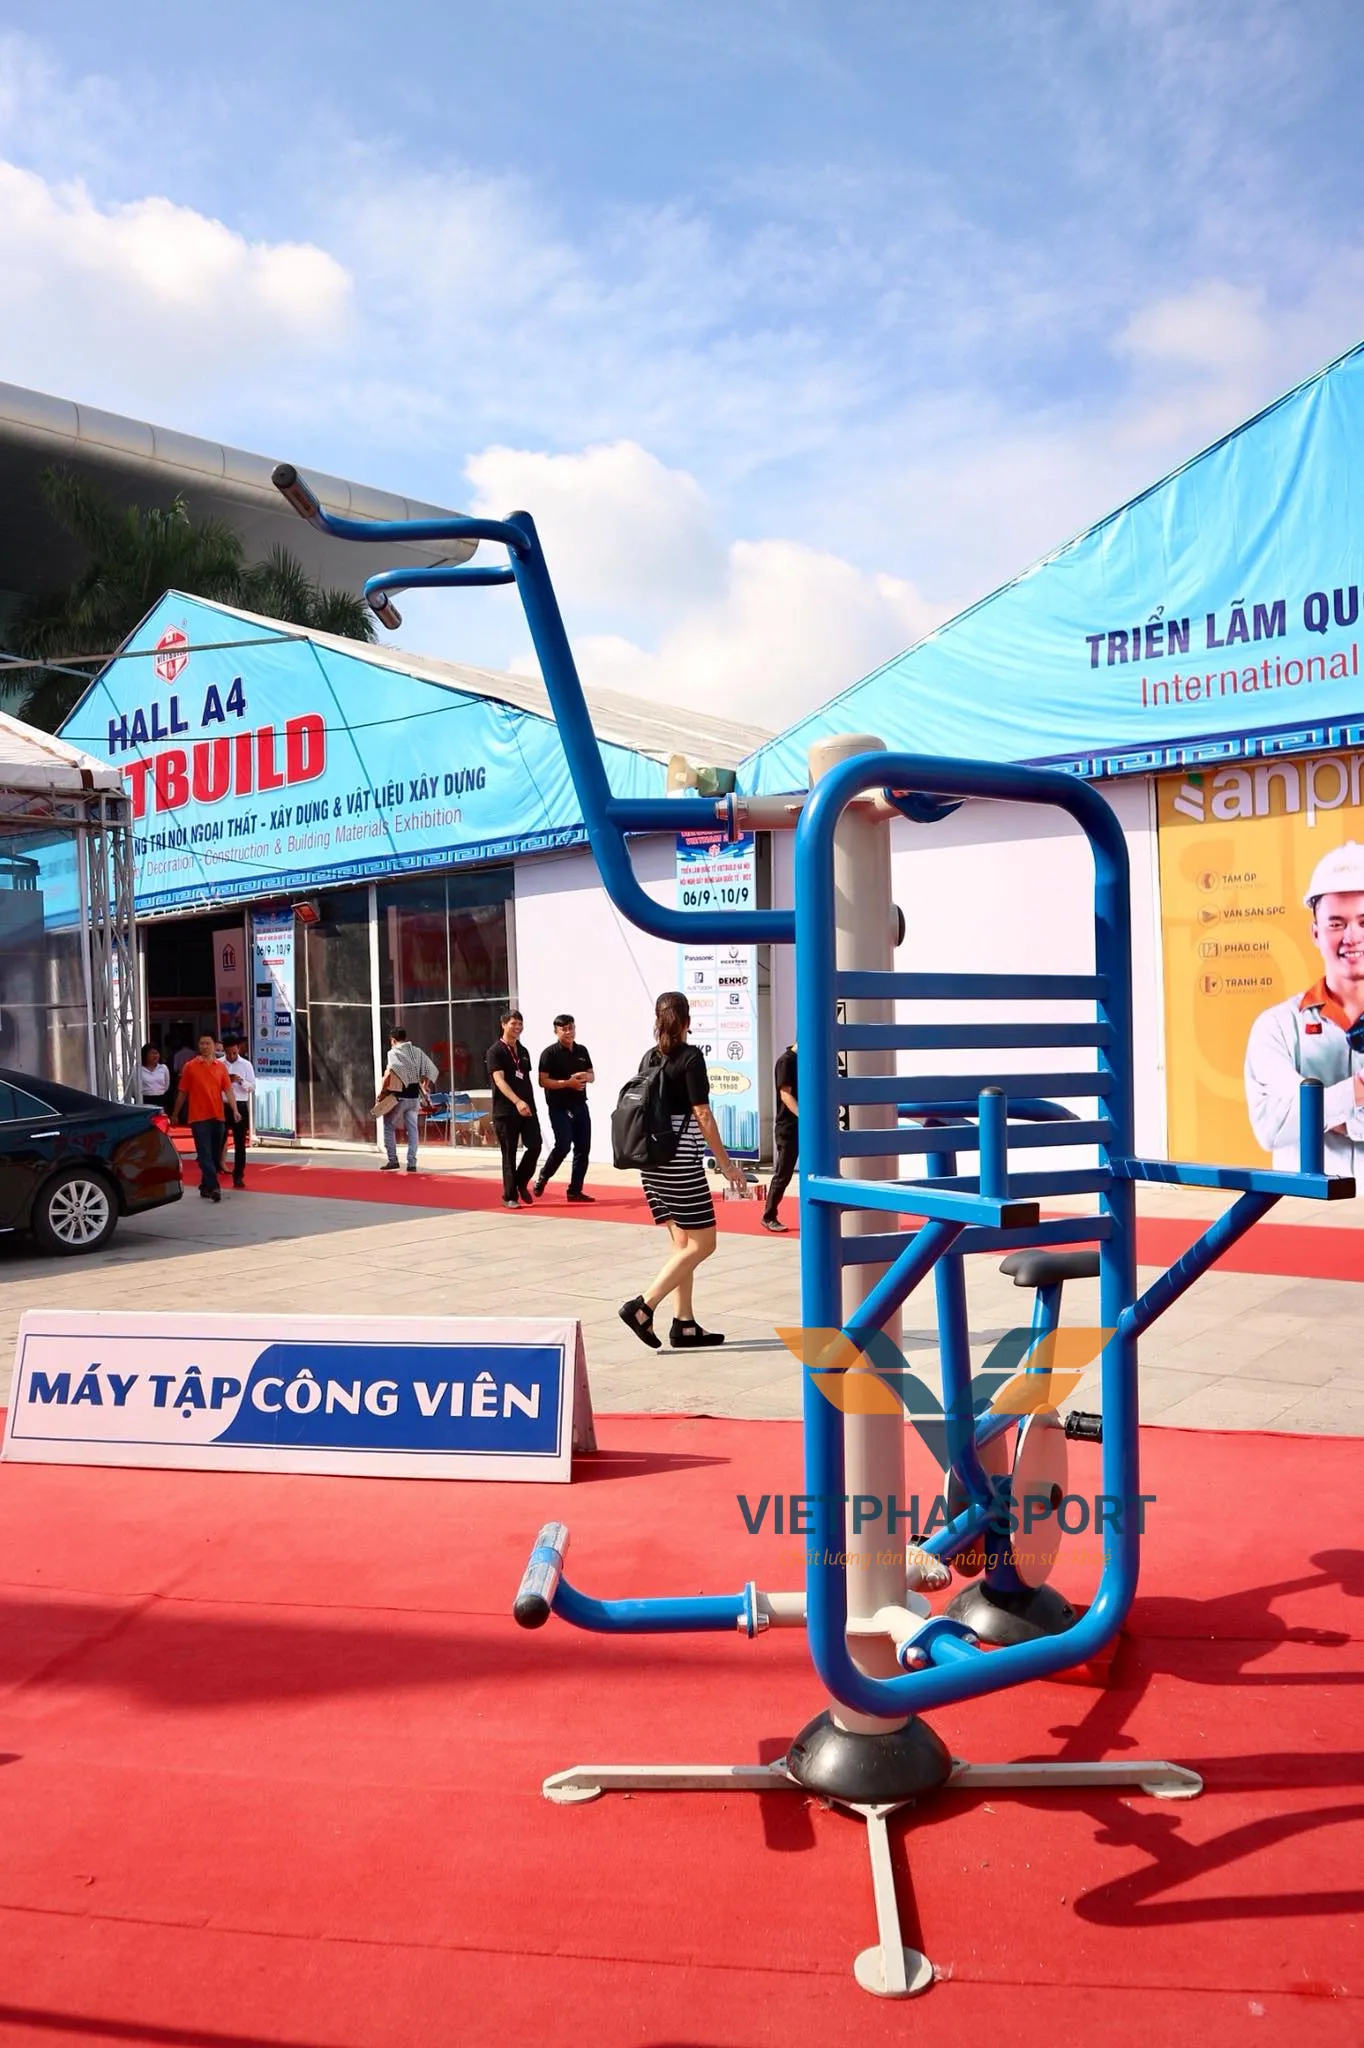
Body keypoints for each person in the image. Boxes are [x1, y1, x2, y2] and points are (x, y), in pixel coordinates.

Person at [618, 990, 748, 1350]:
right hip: (679, 1163)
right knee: (705, 1243)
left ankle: (684, 1324)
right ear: (688, 1021)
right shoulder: (691, 1058)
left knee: (682, 1244)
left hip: (650, 1162)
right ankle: (643, 1306)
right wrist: (726, 1165)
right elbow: (701, 1113)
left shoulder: (649, 1056)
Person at [1245, 841, 1364, 1177]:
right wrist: (1357, 1091)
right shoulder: (1277, 1027)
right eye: (1336, 923)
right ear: (1315, 933)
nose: (1352, 937)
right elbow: (1273, 1126)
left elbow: (1294, 1115)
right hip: (1306, 1203)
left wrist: (1320, 1114)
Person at [533, 1013, 595, 1203]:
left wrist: (584, 1076)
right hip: (559, 1107)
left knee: (583, 1148)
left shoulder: (582, 1050)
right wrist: (568, 1083)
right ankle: (544, 1176)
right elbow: (543, 1081)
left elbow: (592, 1076)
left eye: (571, 1028)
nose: (569, 1032)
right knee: (563, 1145)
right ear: (556, 1031)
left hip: (580, 1105)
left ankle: (575, 1191)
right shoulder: (549, 1053)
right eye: (564, 1029)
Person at [173, 1033, 238, 1203]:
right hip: (198, 1117)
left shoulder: (221, 1067)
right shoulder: (190, 1067)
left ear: (215, 1045)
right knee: (204, 1153)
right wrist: (175, 1113)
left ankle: (205, 1185)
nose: (204, 1046)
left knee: (215, 1155)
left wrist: (235, 1110)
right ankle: (214, 1187)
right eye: (201, 1043)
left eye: (208, 1043)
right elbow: (182, 1092)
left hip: (218, 1116)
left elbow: (228, 1090)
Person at [487, 1009, 542, 1208]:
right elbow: (499, 1080)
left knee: (535, 1145)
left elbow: (525, 1078)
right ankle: (509, 1196)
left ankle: (521, 1181)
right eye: (513, 1024)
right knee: (509, 1154)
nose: (518, 1027)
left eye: (520, 1024)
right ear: (503, 1025)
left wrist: (527, 1103)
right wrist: (517, 1101)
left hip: (527, 1108)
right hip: (506, 1110)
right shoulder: (495, 1051)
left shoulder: (523, 1051)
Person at [380, 1026, 438, 1173]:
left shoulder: (393, 1053)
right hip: (414, 1097)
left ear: (393, 1040)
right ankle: (412, 1162)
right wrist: (425, 1085)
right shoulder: (416, 1051)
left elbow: (390, 1073)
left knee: (388, 1125)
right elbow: (430, 1069)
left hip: (399, 1096)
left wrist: (382, 1093)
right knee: (413, 1129)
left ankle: (393, 1160)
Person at [762, 1040, 798, 1232]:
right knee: (783, 1173)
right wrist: (805, 1116)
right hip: (788, 1127)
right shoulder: (786, 1061)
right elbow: (785, 1094)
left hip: (804, 1127)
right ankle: (769, 1216)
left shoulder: (804, 1060)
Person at [217, 1033, 256, 1189]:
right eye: (228, 1053)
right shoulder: (219, 1064)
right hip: (222, 1104)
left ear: (238, 1049)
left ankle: (238, 1175)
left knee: (240, 1143)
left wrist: (240, 1081)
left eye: (234, 1052)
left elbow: (252, 1087)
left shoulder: (246, 1065)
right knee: (219, 1141)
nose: (231, 1056)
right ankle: (214, 1172)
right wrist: (226, 1080)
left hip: (240, 1104)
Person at [138, 1042, 171, 1112]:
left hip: (160, 1099)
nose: (155, 1055)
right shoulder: (138, 1069)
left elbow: (166, 1086)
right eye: (152, 1053)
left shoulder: (163, 1068)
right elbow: (133, 1089)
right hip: (145, 1100)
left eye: (157, 1053)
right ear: (145, 1055)